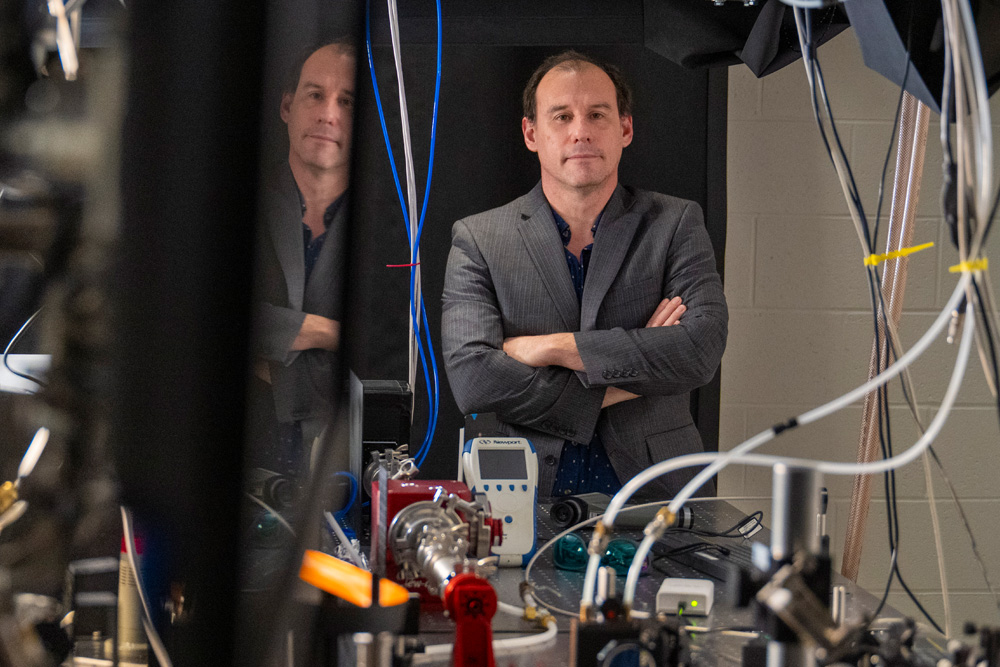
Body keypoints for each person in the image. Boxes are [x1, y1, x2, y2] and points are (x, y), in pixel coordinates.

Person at [441, 51, 728, 499]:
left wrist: (556, 347)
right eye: (561, 116)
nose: (581, 131)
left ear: (625, 129)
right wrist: (625, 381)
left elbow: (700, 349)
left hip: (656, 496)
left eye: (597, 114)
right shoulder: (479, 238)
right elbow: (474, 379)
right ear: (531, 133)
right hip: (518, 494)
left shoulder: (674, 223)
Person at [251, 41, 355, 474]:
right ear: (287, 106)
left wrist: (270, 350)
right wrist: (332, 332)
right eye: (315, 95)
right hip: (245, 442)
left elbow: (391, 346)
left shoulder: (391, 223)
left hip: (342, 454)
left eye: (346, 102)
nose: (329, 114)